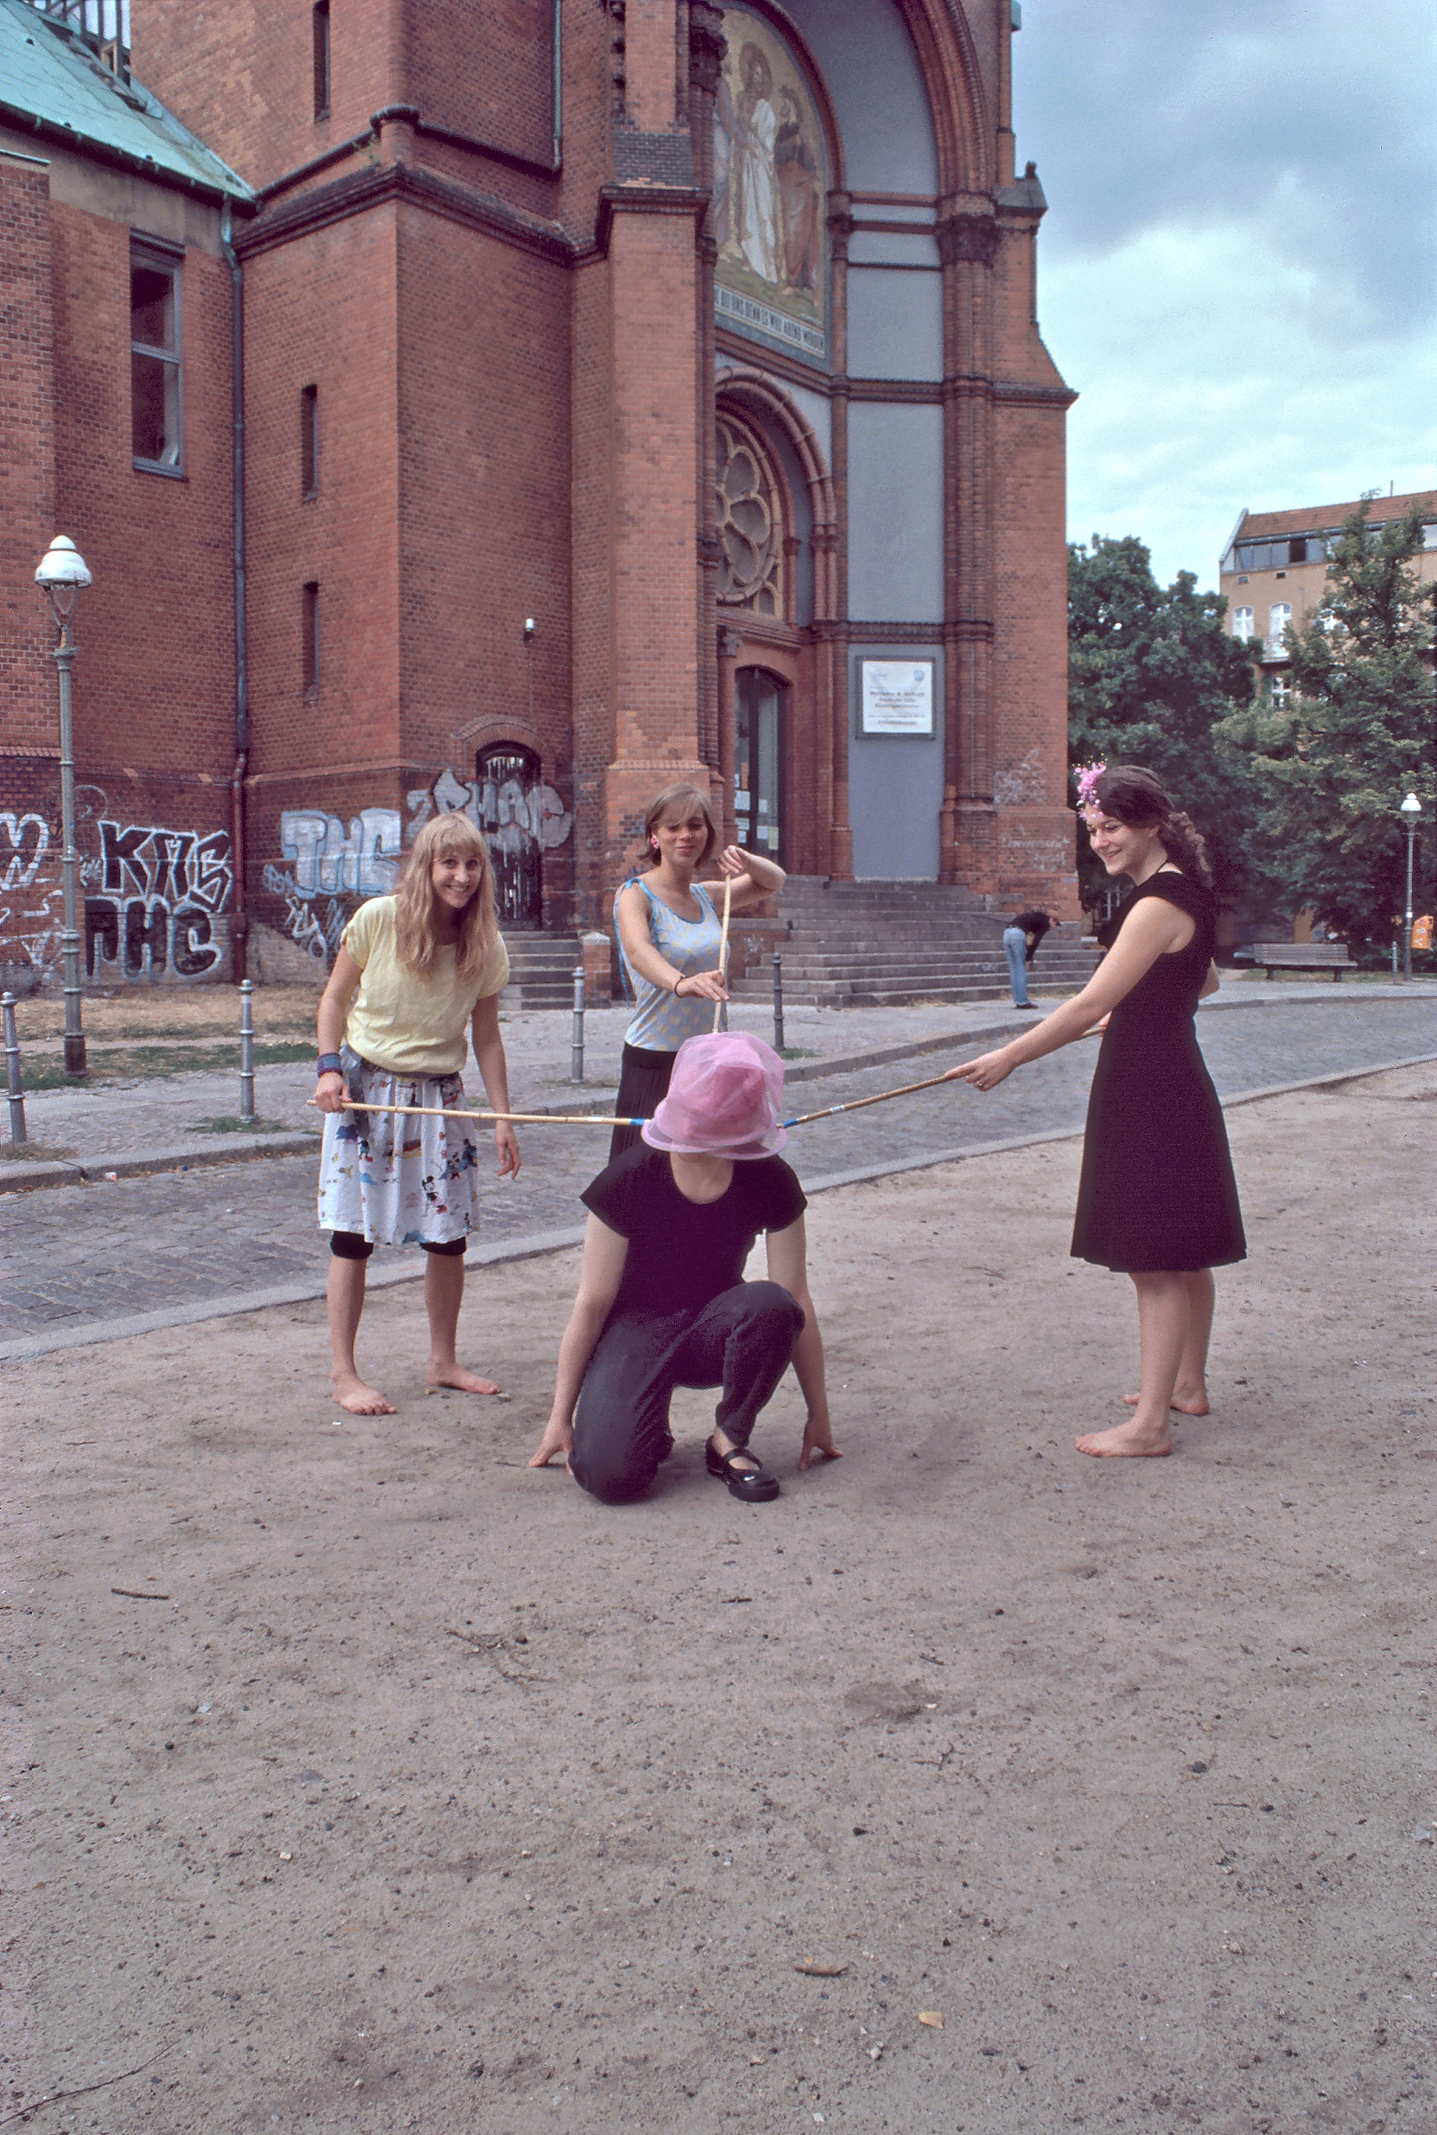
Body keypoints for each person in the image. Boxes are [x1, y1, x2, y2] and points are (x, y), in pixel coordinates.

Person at [946, 765, 1244, 1459]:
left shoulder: (1152, 904)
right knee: (1184, 1247)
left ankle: (1150, 1428)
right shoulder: (1185, 893)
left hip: (1149, 1085)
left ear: (1147, 824)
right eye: (1093, 829)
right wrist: (1146, 1005)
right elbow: (1203, 977)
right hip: (1170, 1072)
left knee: (1154, 1261)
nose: (1100, 840)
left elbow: (1084, 1004)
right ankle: (1185, 1386)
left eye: (1109, 827)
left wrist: (1009, 1056)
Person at [528, 1031, 840, 1503]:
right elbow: (591, 1305)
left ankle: (728, 1440)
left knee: (773, 1304)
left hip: (716, 1327)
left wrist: (819, 1413)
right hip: (635, 1329)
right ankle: (644, 1427)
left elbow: (796, 1295)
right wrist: (559, 1418)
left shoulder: (770, 1177)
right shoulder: (628, 1179)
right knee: (610, 1479)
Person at [313, 813, 521, 1417]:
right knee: (352, 1236)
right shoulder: (378, 919)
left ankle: (443, 1361)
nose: (460, 876)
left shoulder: (484, 943)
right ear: (427, 866)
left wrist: (503, 1117)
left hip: (440, 1097)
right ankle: (343, 1374)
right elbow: (334, 998)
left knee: (447, 1237)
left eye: (472, 863)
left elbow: (487, 1037)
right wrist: (328, 1067)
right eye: (448, 863)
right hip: (367, 1093)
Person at [610, 780, 785, 1160]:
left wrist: (746, 860)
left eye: (695, 825)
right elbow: (639, 951)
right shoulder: (635, 894)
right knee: (642, 1182)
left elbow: (773, 881)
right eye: (672, 827)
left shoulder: (708, 895)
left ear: (707, 833)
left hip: (708, 1059)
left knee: (710, 1177)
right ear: (654, 836)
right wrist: (681, 983)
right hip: (656, 1059)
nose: (685, 835)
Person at [1003, 908, 1053, 1008]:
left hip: (1007, 933)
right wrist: (1028, 959)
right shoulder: (1045, 922)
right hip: (1017, 934)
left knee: (1014, 969)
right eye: (1054, 925)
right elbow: (1036, 942)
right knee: (1021, 968)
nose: (1051, 928)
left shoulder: (1033, 917)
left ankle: (1017, 1000)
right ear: (1052, 919)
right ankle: (1023, 1002)